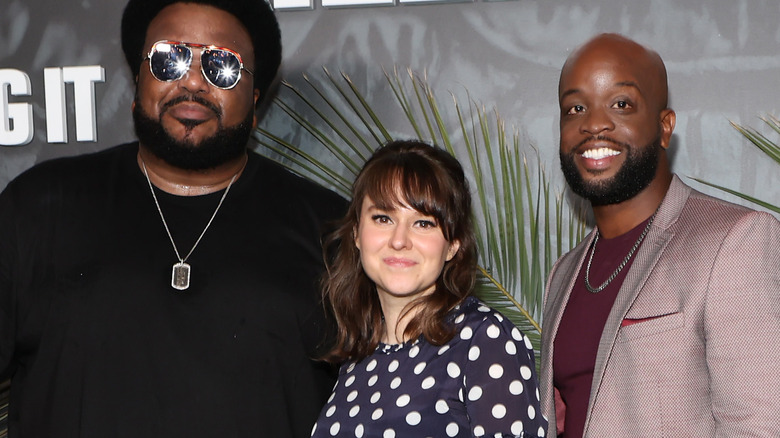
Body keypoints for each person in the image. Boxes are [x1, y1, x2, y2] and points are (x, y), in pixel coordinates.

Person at [0, 0, 346, 436]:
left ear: (255, 100)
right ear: (137, 80)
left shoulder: (332, 229)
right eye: (169, 59)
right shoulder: (38, 206)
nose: (194, 82)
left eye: (223, 66)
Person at [539, 33, 780, 437]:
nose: (593, 124)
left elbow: (761, 427)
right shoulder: (563, 273)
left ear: (664, 126)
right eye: (575, 108)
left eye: (621, 104)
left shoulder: (736, 241)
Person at [309, 140, 548, 438]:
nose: (399, 240)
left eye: (423, 223)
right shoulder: (357, 358)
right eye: (383, 218)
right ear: (357, 233)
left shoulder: (485, 340)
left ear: (454, 245)